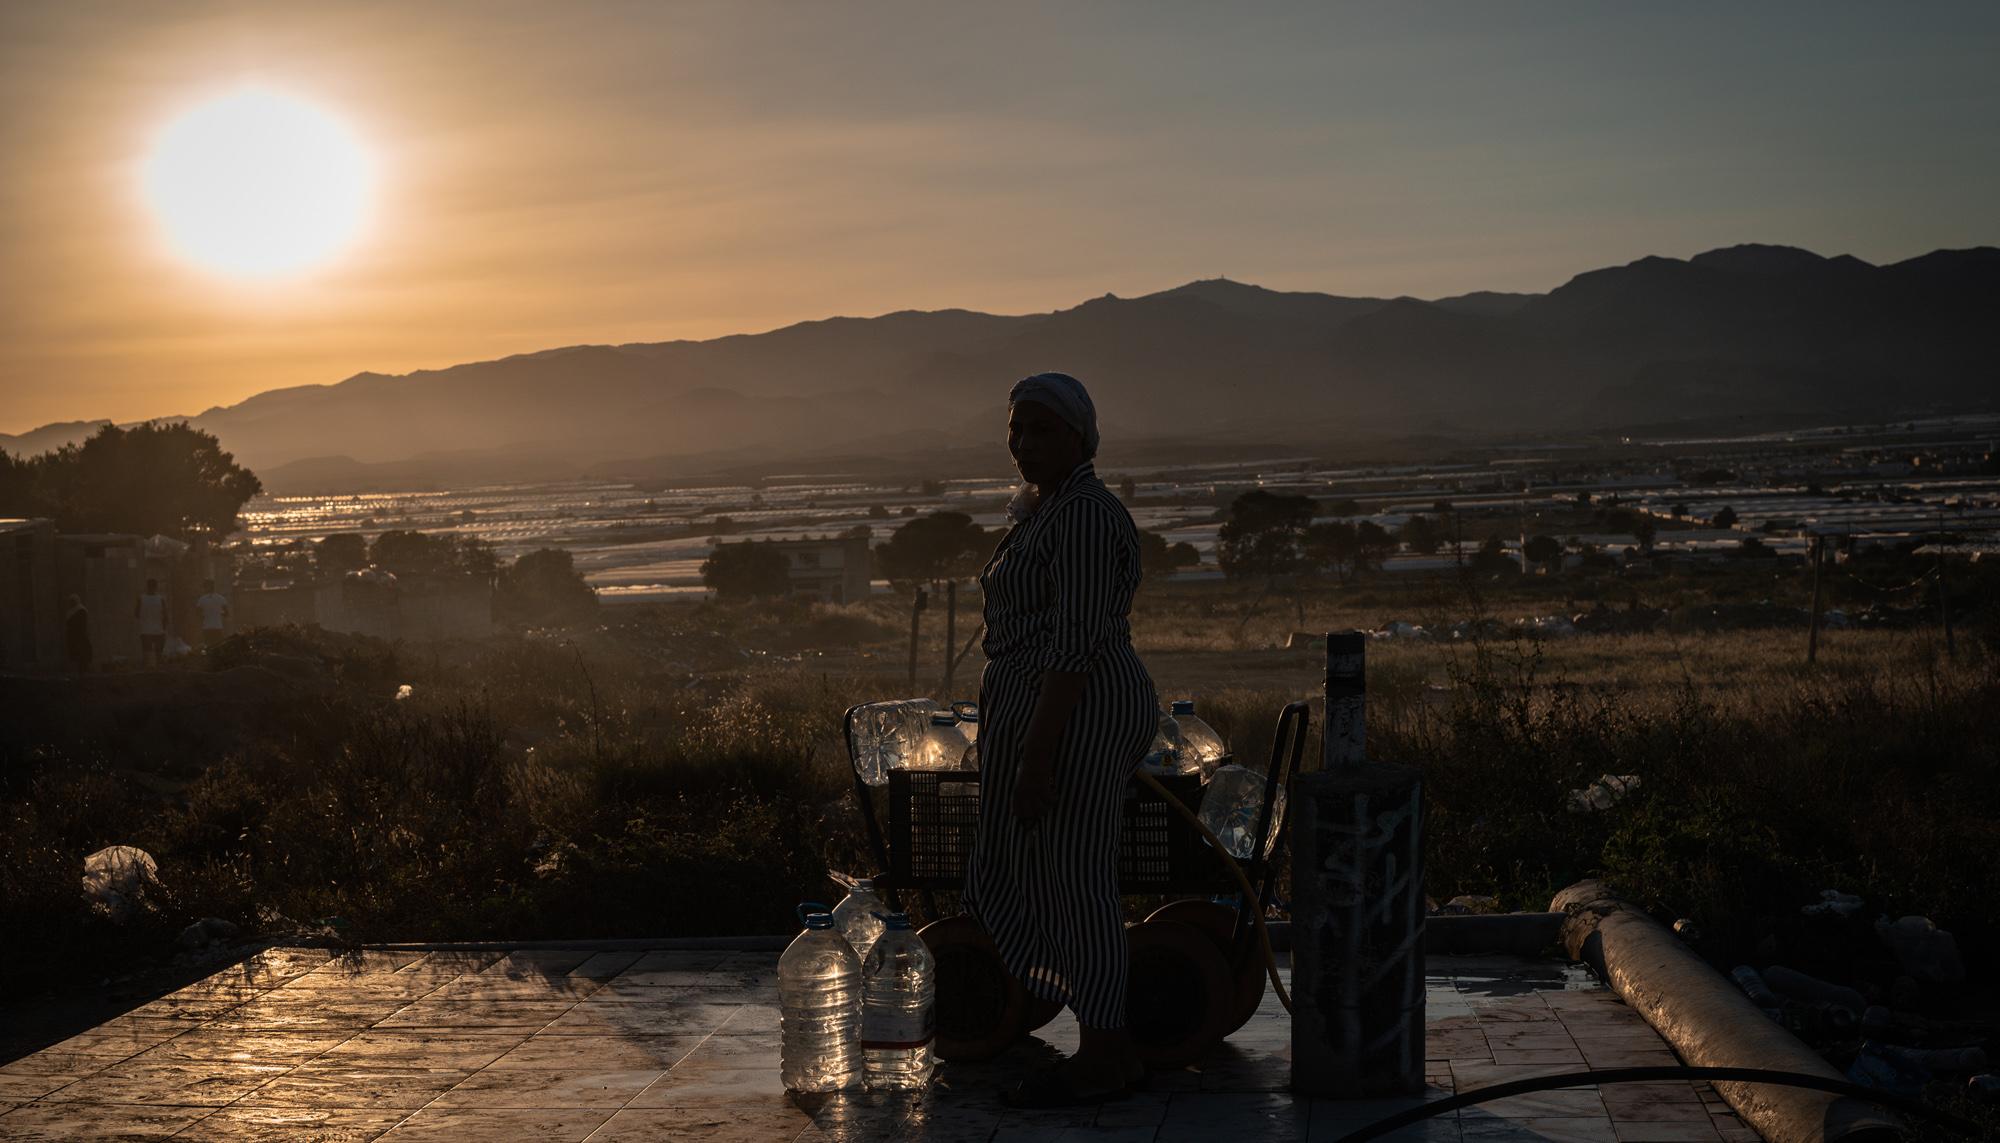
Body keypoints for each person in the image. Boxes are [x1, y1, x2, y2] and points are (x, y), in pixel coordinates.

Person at [962, 372, 1158, 1106]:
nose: (1022, 443)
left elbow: (1072, 648)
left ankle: (1105, 1048)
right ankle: (1090, 1025)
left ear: (1080, 436)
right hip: (1045, 709)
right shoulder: (1045, 510)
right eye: (1015, 429)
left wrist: (1038, 756)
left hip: (1077, 710)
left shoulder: (1081, 516)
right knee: (1042, 872)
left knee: (1076, 879)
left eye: (1040, 429)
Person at [135, 579, 167, 666]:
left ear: (147, 586)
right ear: (156, 587)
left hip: (145, 630)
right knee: (158, 654)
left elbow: (136, 614)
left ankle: (149, 671)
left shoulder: (141, 598)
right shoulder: (161, 599)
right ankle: (159, 671)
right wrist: (164, 629)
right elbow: (165, 616)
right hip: (158, 630)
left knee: (147, 653)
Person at [194, 578, 230, 649]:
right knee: (218, 647)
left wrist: (204, 616)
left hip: (207, 628)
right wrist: (218, 613)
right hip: (218, 627)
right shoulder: (221, 598)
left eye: (204, 587)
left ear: (207, 587)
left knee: (209, 647)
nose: (203, 589)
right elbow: (227, 614)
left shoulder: (201, 600)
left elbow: (197, 613)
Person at [64, 595, 92, 674]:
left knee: (82, 653)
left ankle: (84, 670)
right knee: (78, 654)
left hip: (80, 635)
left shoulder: (81, 610)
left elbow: (82, 624)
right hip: (74, 636)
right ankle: (81, 670)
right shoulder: (70, 612)